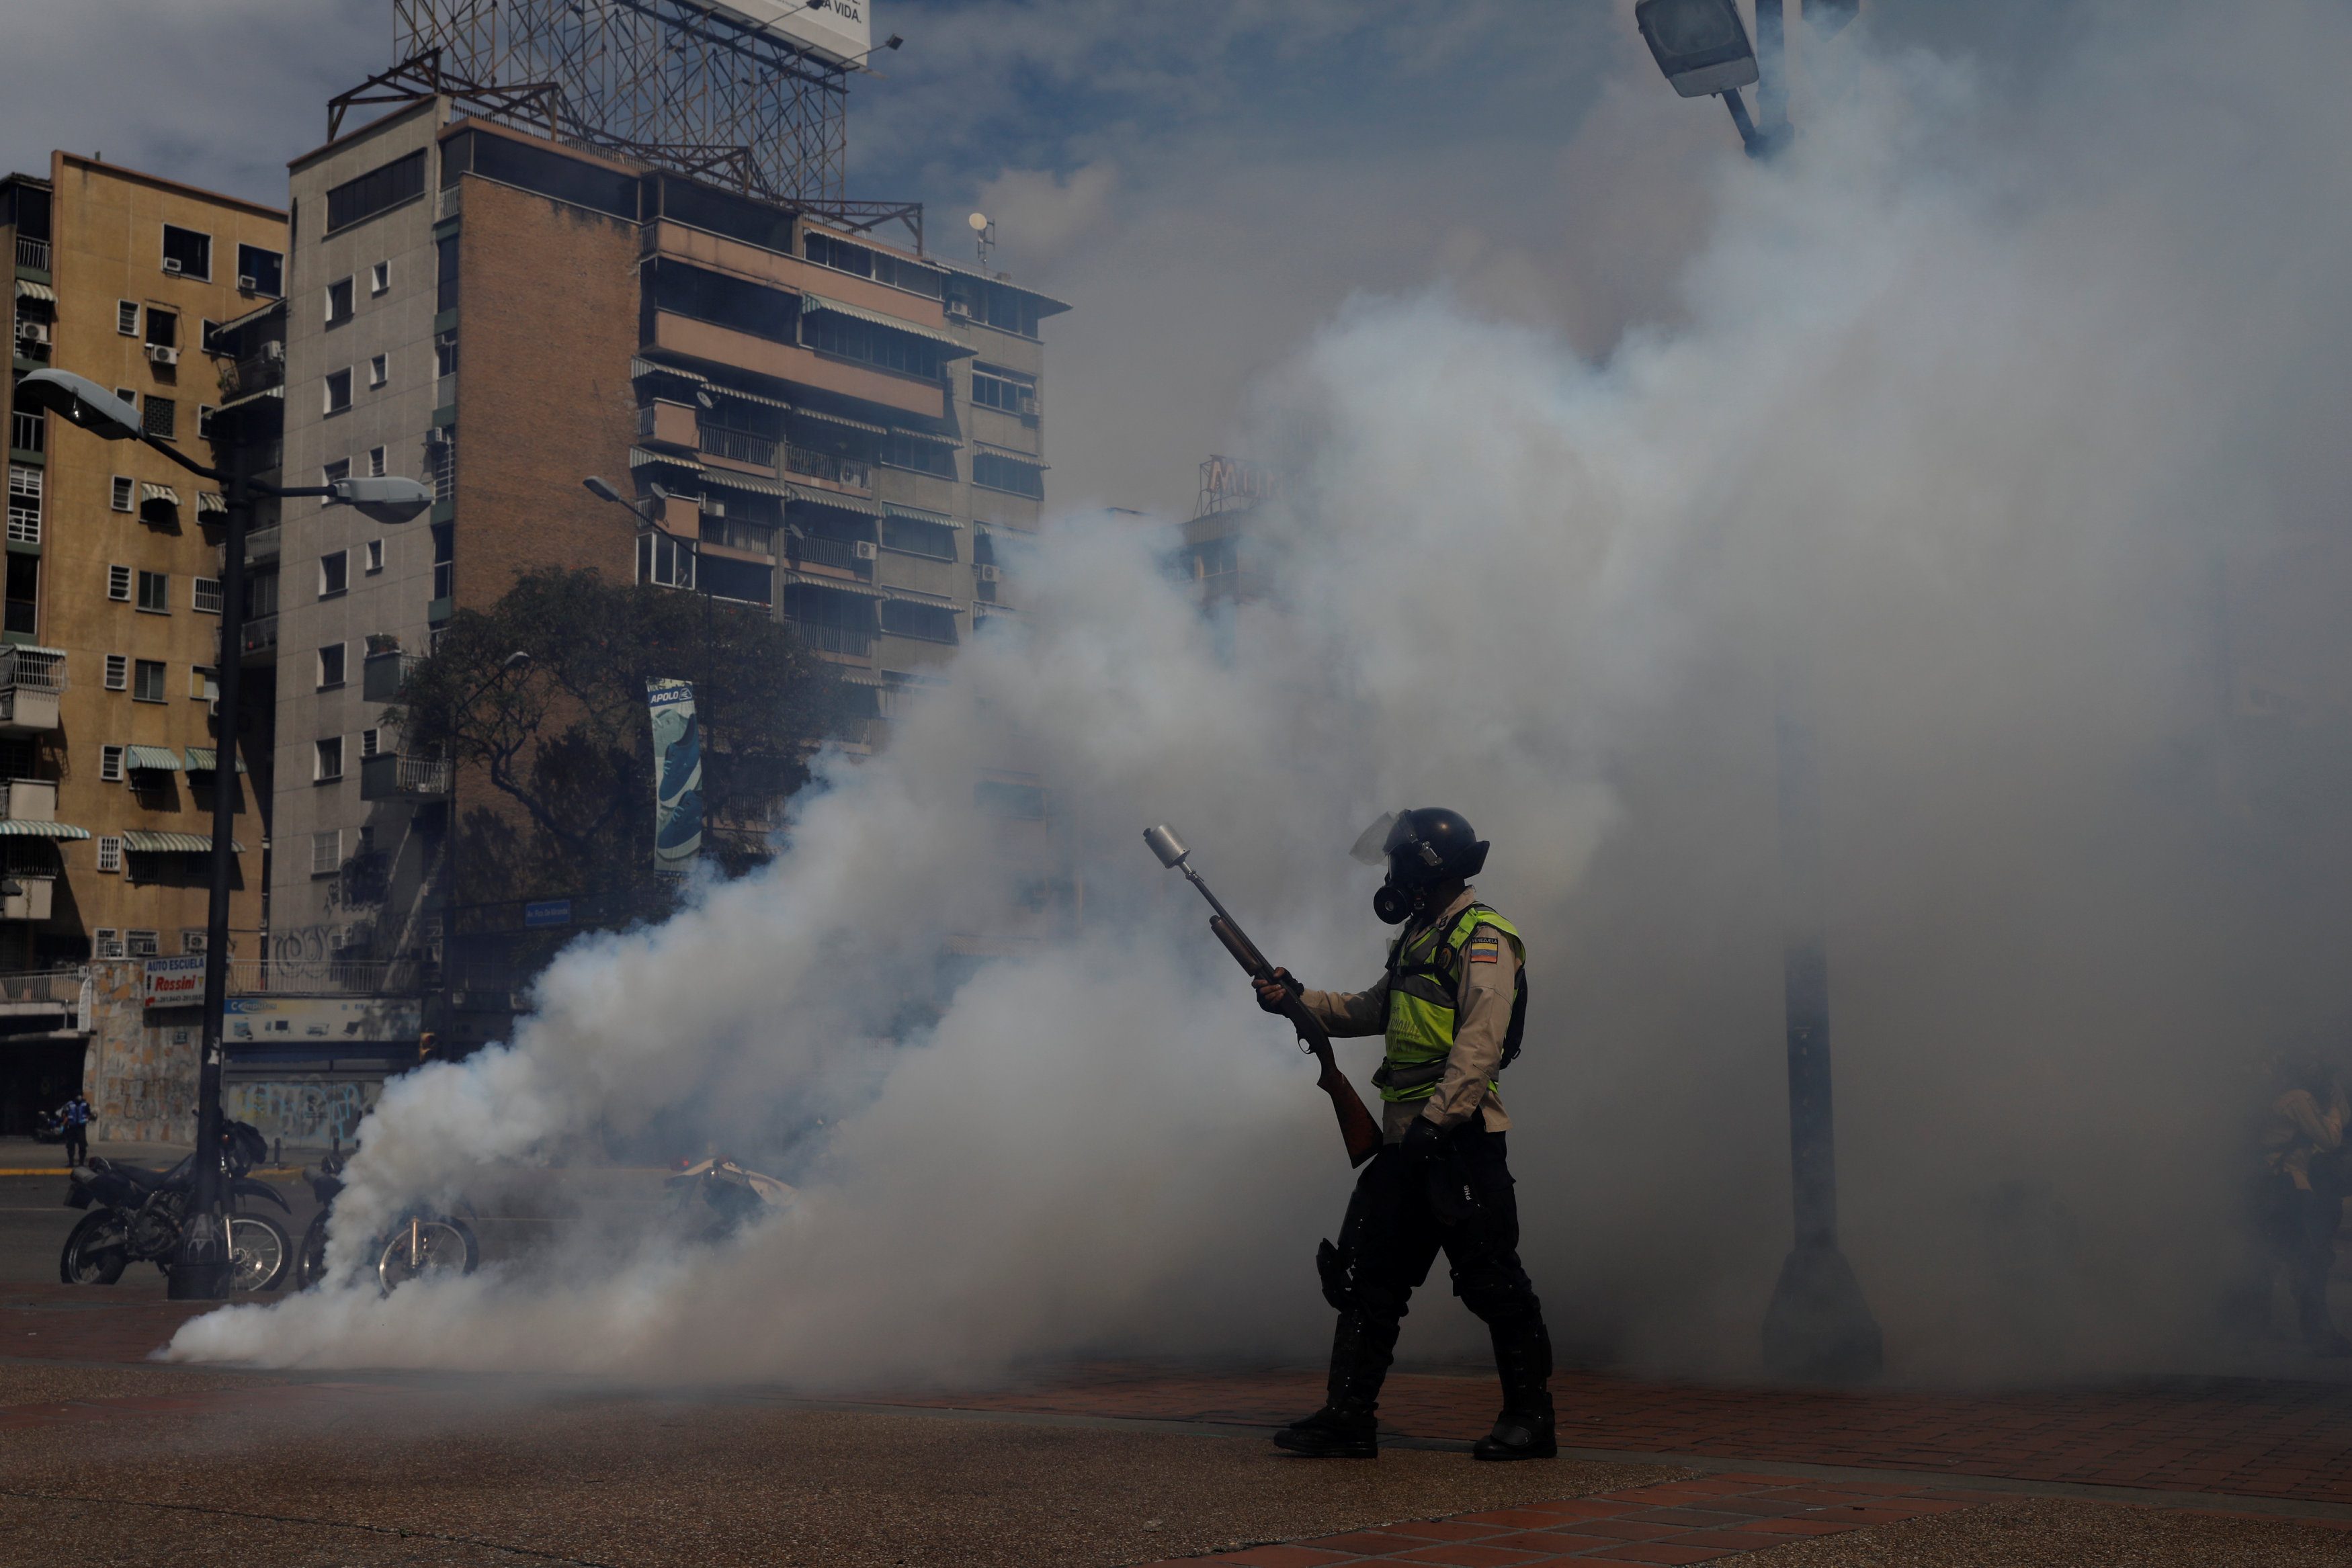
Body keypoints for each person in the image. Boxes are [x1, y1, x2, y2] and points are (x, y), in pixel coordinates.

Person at [1253, 807, 1555, 1461]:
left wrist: (1435, 1124)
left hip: (1459, 1139)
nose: (1390, 879)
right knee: (1367, 1278)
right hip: (1405, 1140)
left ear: (1426, 869)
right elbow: (1369, 1009)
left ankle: (1530, 1418)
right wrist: (1297, 998)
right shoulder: (1421, 936)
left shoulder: (1482, 937)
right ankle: (1347, 1417)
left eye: (1398, 866)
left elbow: (1479, 1045)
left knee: (1491, 1280)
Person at [2255, 1049, 2352, 1356]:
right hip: (2288, 1187)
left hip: (2284, 1187)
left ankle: (2250, 1332)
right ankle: (2319, 1334)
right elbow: (2331, 1138)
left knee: (2283, 1258)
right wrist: (2335, 1104)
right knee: (2308, 1261)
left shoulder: (2296, 1096)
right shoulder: (2298, 1098)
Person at [56, 1090, 91, 1168]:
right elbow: (66, 1116)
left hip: (81, 1128)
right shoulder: (70, 1105)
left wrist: (86, 1119)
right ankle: (71, 1163)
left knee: (82, 1146)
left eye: (80, 1095)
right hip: (71, 1128)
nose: (79, 1097)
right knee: (70, 1146)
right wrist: (63, 1125)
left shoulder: (85, 1105)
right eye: (77, 1095)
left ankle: (81, 1163)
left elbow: (89, 1115)